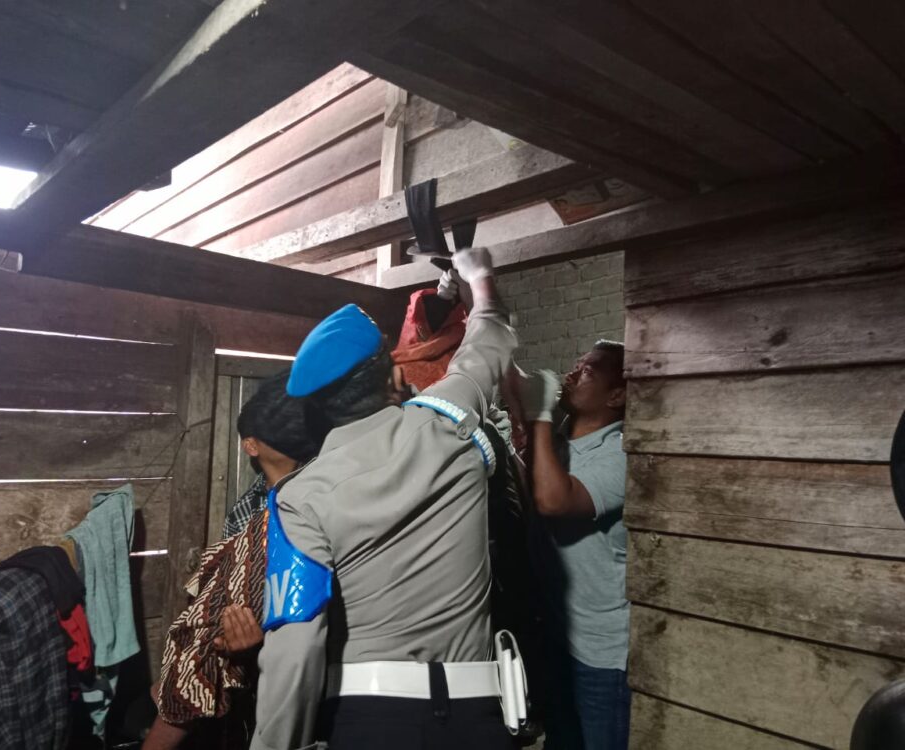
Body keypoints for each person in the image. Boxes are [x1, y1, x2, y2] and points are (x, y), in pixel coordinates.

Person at [250, 247, 518, 750]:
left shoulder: (300, 500)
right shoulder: (449, 421)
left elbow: (296, 646)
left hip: (370, 721)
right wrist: (479, 278)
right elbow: (492, 340)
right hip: (480, 720)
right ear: (395, 376)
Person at [143, 372, 318, 750]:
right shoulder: (247, 511)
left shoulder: (314, 491)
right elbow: (234, 590)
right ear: (250, 445)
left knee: (198, 655)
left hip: (303, 642)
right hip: (250, 653)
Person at [519, 341, 630, 750]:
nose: (572, 373)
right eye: (576, 364)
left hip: (602, 653)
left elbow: (554, 500)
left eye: (587, 371)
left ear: (616, 395)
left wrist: (540, 415)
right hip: (560, 637)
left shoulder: (621, 454)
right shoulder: (563, 444)